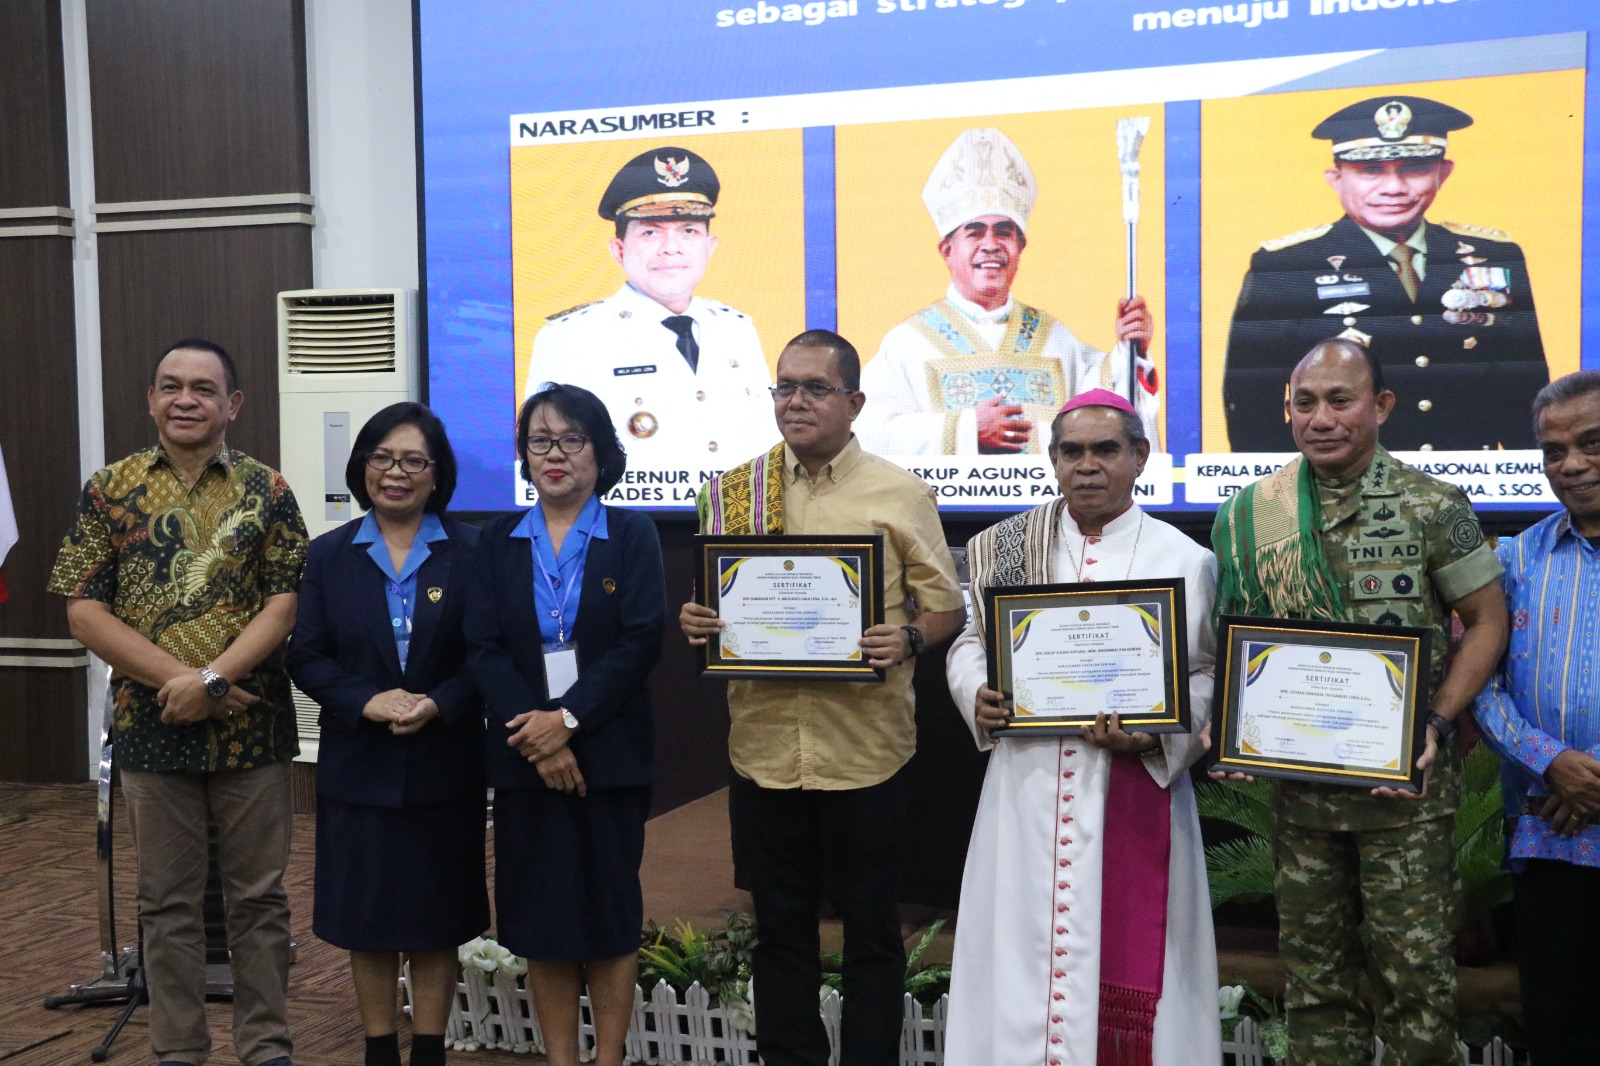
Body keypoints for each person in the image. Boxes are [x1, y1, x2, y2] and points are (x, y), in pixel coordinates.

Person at [1211, 337, 1507, 1066]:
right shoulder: (1250, 514)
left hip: (1405, 797)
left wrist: (1435, 721)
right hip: (1302, 800)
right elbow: (1238, 642)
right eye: (1305, 403)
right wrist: (1237, 729)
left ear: (1381, 406)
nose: (1321, 419)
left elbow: (1487, 622)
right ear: (1287, 409)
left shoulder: (1430, 504)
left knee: (1416, 985)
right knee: (1315, 986)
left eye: (1340, 401)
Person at [680, 329, 966, 1066]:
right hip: (766, 751)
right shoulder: (732, 492)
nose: (796, 401)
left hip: (865, 752)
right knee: (780, 933)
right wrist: (698, 621)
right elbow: (715, 604)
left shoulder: (900, 493)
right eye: (785, 387)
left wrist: (908, 638)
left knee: (872, 933)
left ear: (855, 402)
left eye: (815, 388)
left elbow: (947, 609)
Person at [48, 338, 307, 1066]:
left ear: (234, 404)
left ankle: (267, 1047)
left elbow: (285, 604)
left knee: (259, 900)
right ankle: (179, 1050)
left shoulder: (269, 491)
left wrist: (215, 682)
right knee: (165, 902)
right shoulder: (109, 488)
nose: (185, 399)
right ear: (151, 399)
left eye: (203, 388)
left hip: (252, 727)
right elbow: (84, 612)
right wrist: (185, 684)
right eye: (171, 386)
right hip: (153, 726)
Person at [944, 389, 1220, 1065]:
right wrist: (976, 693)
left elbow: (1207, 673)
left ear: (1140, 457)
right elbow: (970, 642)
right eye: (1071, 451)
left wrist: (1156, 736)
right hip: (1025, 791)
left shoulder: (1185, 559)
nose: (1087, 466)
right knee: (1015, 956)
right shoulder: (1006, 548)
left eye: (1105, 450)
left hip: (1130, 787)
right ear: (1053, 459)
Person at [465, 383, 666, 1066]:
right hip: (525, 756)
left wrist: (569, 721)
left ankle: (607, 1059)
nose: (554, 455)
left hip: (608, 754)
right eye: (540, 441)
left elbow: (640, 640)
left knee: (609, 916)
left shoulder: (631, 534)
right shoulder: (497, 540)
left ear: (601, 453)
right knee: (541, 919)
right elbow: (483, 646)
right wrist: (540, 737)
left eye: (571, 440)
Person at [286, 402, 487, 1066]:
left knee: (437, 921)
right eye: (381, 457)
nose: (394, 473)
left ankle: (428, 1051)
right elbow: (306, 656)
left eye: (412, 461)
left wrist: (439, 703)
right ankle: (378, 1050)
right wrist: (366, 700)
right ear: (363, 466)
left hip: (444, 764)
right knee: (366, 923)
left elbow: (489, 655)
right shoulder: (329, 555)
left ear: (437, 473)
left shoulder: (473, 552)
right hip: (359, 768)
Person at [1223, 95, 1548, 453]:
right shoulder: (1286, 266)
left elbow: (1527, 393)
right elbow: (1251, 406)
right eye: (1371, 170)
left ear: (1443, 173)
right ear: (1336, 179)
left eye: (1413, 168)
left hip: (1469, 479)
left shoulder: (1496, 257)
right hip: (1343, 478)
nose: (1394, 187)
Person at [857, 126, 1160, 457]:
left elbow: (1108, 412)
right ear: (947, 250)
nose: (991, 245)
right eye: (975, 232)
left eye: (1003, 232)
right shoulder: (908, 343)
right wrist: (967, 429)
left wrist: (1131, 352)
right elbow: (872, 433)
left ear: (1020, 247)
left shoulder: (1056, 339)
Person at [1472, 369, 1600, 1063]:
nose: (1571, 464)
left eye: (1591, 443)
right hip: (1551, 838)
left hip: (1569, 808)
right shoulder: (1515, 559)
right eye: (1554, 451)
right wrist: (1552, 763)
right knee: (1561, 1033)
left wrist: (1592, 777)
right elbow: (1483, 687)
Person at [521, 146, 776, 467]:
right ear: (618, 249)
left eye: (688, 230)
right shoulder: (572, 337)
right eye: (650, 232)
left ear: (709, 247)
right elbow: (546, 462)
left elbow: (768, 446)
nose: (671, 248)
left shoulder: (737, 329)